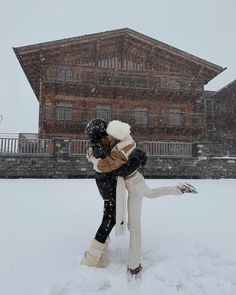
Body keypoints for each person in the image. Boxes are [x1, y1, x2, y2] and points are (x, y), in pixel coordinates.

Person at [87, 120, 197, 275]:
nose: (108, 137)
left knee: (135, 227)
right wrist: (93, 154)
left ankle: (134, 265)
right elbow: (102, 152)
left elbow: (107, 166)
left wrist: (95, 161)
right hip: (133, 181)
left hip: (134, 185)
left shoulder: (124, 147)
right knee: (151, 194)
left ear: (117, 136)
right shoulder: (119, 141)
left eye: (111, 135)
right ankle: (179, 189)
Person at [81, 118, 147, 269]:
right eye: (107, 131)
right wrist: (135, 159)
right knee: (109, 220)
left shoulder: (101, 142)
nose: (109, 134)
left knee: (109, 217)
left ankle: (99, 250)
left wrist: (134, 155)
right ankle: (93, 257)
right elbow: (113, 167)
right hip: (106, 183)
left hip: (106, 182)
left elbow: (116, 160)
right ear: (101, 133)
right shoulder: (99, 146)